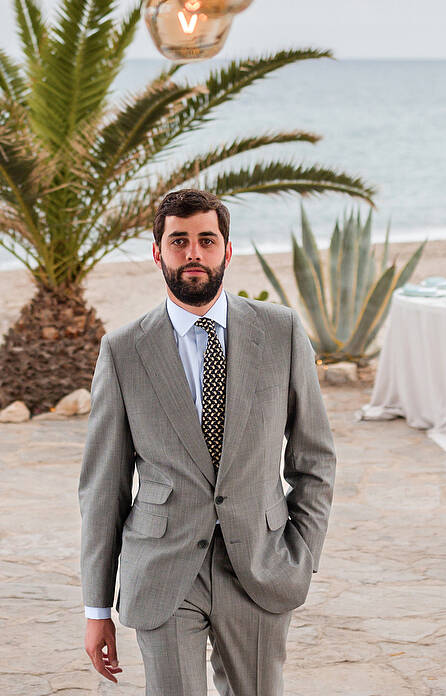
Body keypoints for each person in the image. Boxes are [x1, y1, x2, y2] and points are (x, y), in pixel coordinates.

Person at [79, 188, 335, 695]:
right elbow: (103, 487)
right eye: (179, 241)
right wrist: (96, 607)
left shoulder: (280, 332)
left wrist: (301, 552)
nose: (193, 253)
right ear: (157, 253)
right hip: (163, 569)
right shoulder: (124, 351)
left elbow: (315, 458)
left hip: (260, 563)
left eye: (206, 240)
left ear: (227, 250)